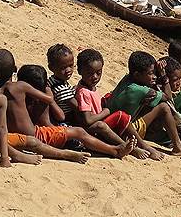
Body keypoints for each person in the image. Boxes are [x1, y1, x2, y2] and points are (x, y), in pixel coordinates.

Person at [8, 64, 136, 159]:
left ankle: (114, 148)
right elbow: (58, 118)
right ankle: (114, 150)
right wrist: (51, 100)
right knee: (79, 132)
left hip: (23, 134)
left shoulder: (12, 96)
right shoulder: (40, 100)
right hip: (39, 134)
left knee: (79, 134)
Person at [75, 49, 163, 161]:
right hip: (94, 131)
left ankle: (133, 144)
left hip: (99, 122)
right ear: (79, 71)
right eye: (90, 73)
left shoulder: (90, 87)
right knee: (121, 116)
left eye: (99, 73)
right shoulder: (84, 92)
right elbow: (87, 120)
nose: (95, 77)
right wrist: (105, 112)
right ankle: (133, 147)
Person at [107, 52, 181, 155]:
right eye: (150, 73)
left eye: (154, 73)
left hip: (114, 124)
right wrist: (163, 75)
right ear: (137, 75)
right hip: (125, 130)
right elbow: (168, 98)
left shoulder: (127, 78)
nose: (154, 77)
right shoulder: (141, 91)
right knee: (164, 107)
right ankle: (178, 146)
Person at [46, 44, 77, 124]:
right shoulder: (61, 89)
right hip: (67, 121)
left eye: (71, 65)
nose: (68, 70)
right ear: (51, 68)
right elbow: (77, 106)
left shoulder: (52, 80)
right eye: (63, 68)